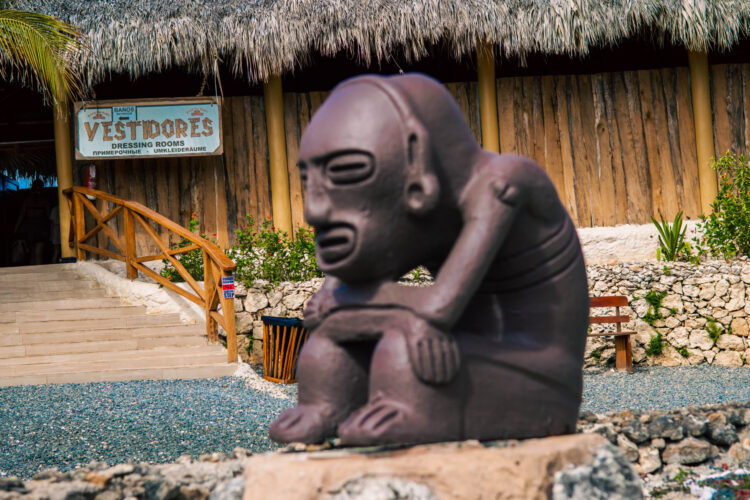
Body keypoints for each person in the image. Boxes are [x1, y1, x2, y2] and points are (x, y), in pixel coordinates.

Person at [14, 179, 51, 265]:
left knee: (32, 253)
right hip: (40, 227)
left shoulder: (27, 200)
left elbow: (21, 215)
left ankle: (33, 275)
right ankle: (38, 275)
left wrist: (16, 229)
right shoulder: (44, 201)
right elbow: (49, 216)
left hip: (28, 228)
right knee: (38, 253)